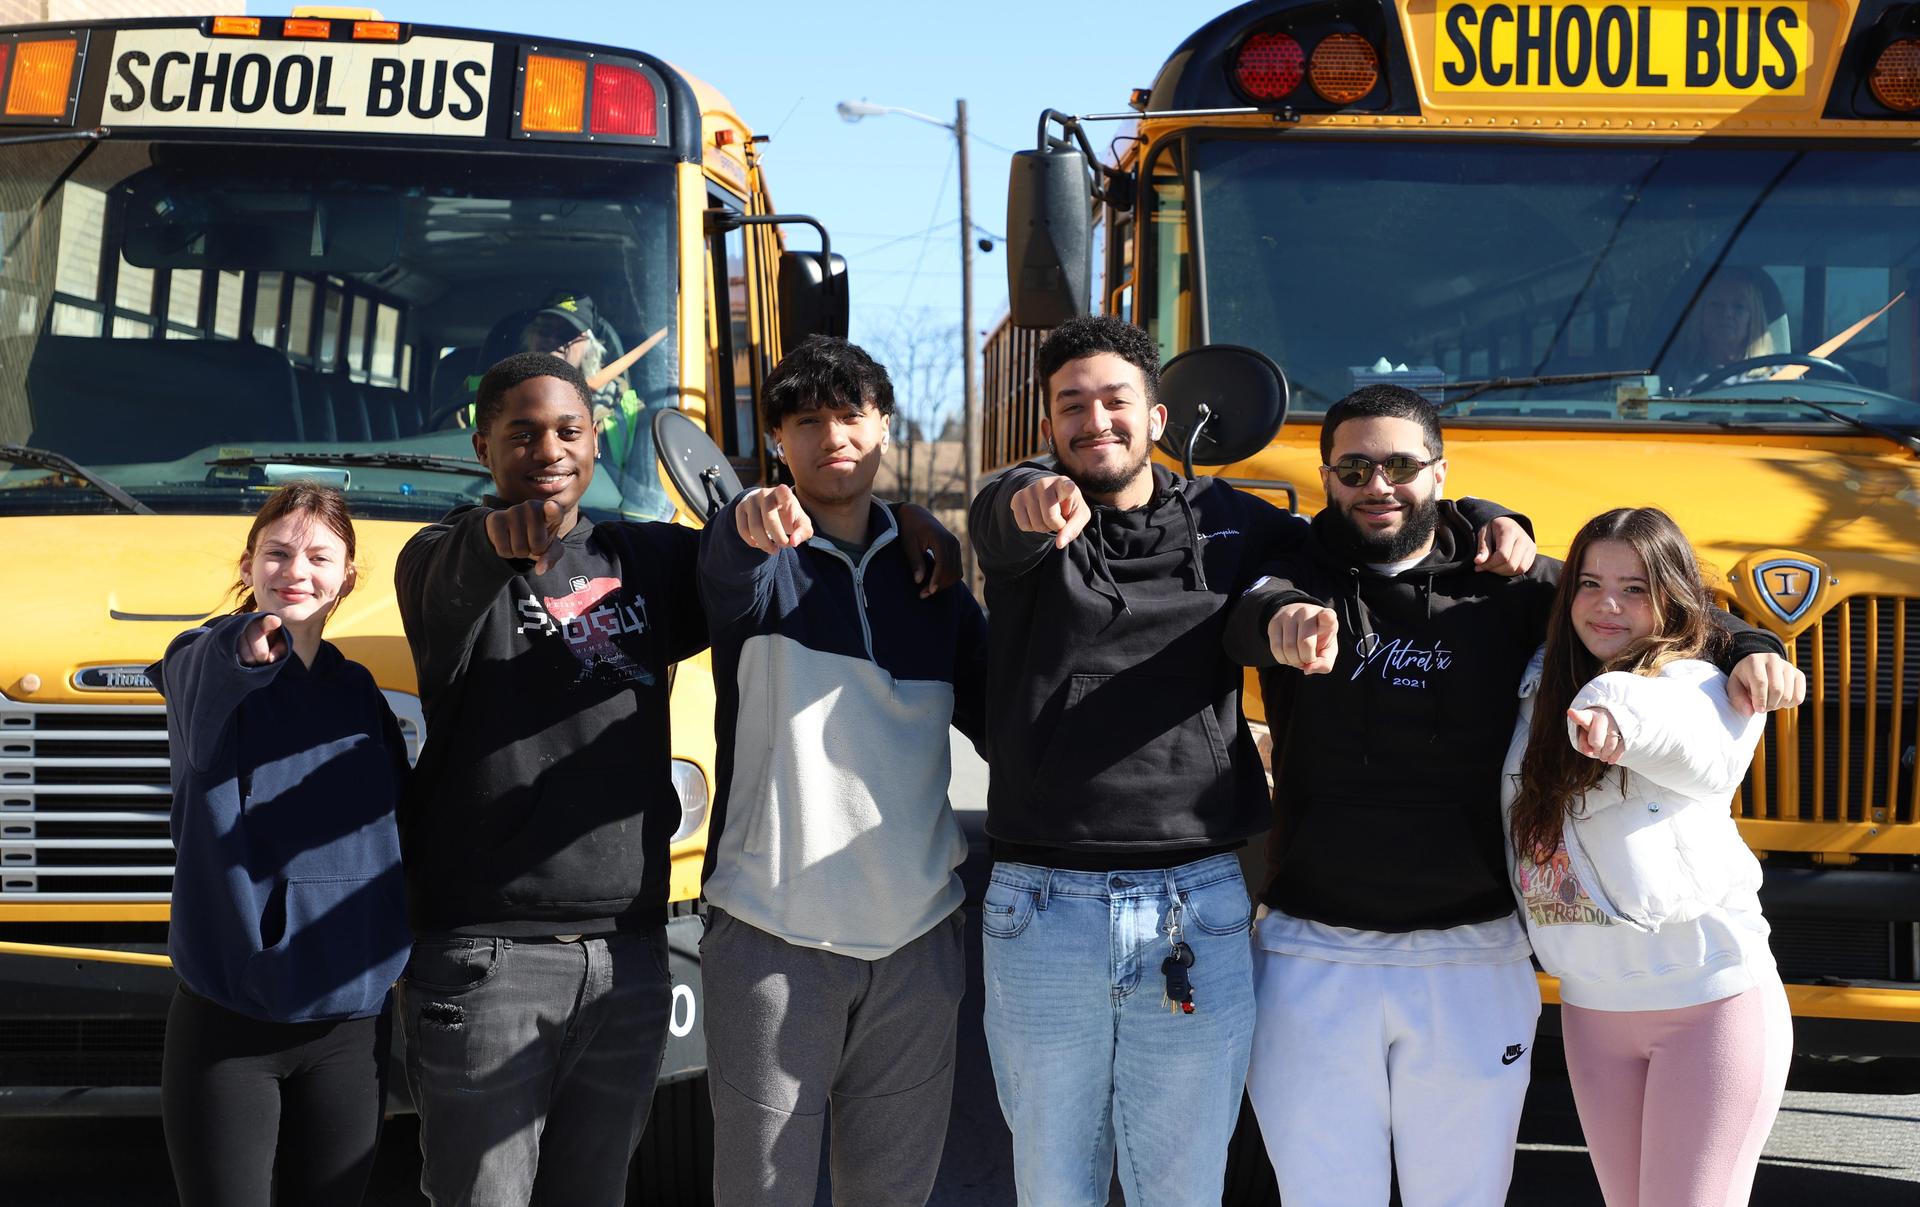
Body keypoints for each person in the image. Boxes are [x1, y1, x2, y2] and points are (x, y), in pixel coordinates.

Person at [966, 317, 1535, 1206]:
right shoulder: (1025, 513)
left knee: (1185, 1185)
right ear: (1047, 429)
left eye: (1115, 400)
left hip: (1195, 901)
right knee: (1053, 1182)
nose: (1094, 420)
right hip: (1042, 904)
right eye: (1070, 406)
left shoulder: (1235, 523)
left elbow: (1371, 528)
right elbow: (1000, 518)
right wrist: (1030, 501)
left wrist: (1486, 517)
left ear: (1157, 416)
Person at [394, 350, 958, 1207]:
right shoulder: (439, 560)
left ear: (595, 443)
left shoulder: (643, 556)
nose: (548, 448)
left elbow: (761, 549)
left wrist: (907, 516)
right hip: (489, 956)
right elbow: (455, 574)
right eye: (523, 433)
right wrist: (494, 536)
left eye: (569, 430)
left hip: (629, 952)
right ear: (483, 447)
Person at [1223, 384, 1804, 1206]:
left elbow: (1644, 602)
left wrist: (1752, 641)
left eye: (1398, 464)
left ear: (1439, 471)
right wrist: (1281, 621)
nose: (1376, 483)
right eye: (1353, 467)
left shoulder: (1513, 584)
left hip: (1472, 951)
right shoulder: (1295, 564)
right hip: (1310, 949)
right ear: (1327, 476)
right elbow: (1247, 608)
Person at [696, 335, 985, 1205]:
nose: (834, 439)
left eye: (851, 416)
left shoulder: (931, 576)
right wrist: (749, 524)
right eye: (807, 422)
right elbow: (729, 559)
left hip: (918, 937)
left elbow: (1012, 720)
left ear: (884, 424)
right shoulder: (752, 556)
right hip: (771, 935)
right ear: (777, 439)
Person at [1505, 507, 1790, 1207]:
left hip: (1709, 1002)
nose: (1608, 605)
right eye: (1591, 583)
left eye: (1635, 589)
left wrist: (1611, 709)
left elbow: (1680, 727)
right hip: (1590, 1006)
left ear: (1673, 598)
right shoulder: (1538, 684)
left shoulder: (1702, 683)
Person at [150, 482, 410, 1207]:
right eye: (278, 552)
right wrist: (244, 645)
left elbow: (402, 835)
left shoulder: (360, 694)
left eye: (319, 556)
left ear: (347, 578)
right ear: (249, 564)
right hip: (229, 1023)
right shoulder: (204, 666)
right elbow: (200, 668)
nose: (296, 569)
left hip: (350, 1025)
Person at [1663, 267, 1784, 391]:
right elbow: (1643, 407)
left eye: (1738, 306)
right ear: (1701, 315)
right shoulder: (1673, 373)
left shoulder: (1782, 377)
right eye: (1716, 304)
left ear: (1754, 319)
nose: (1727, 313)